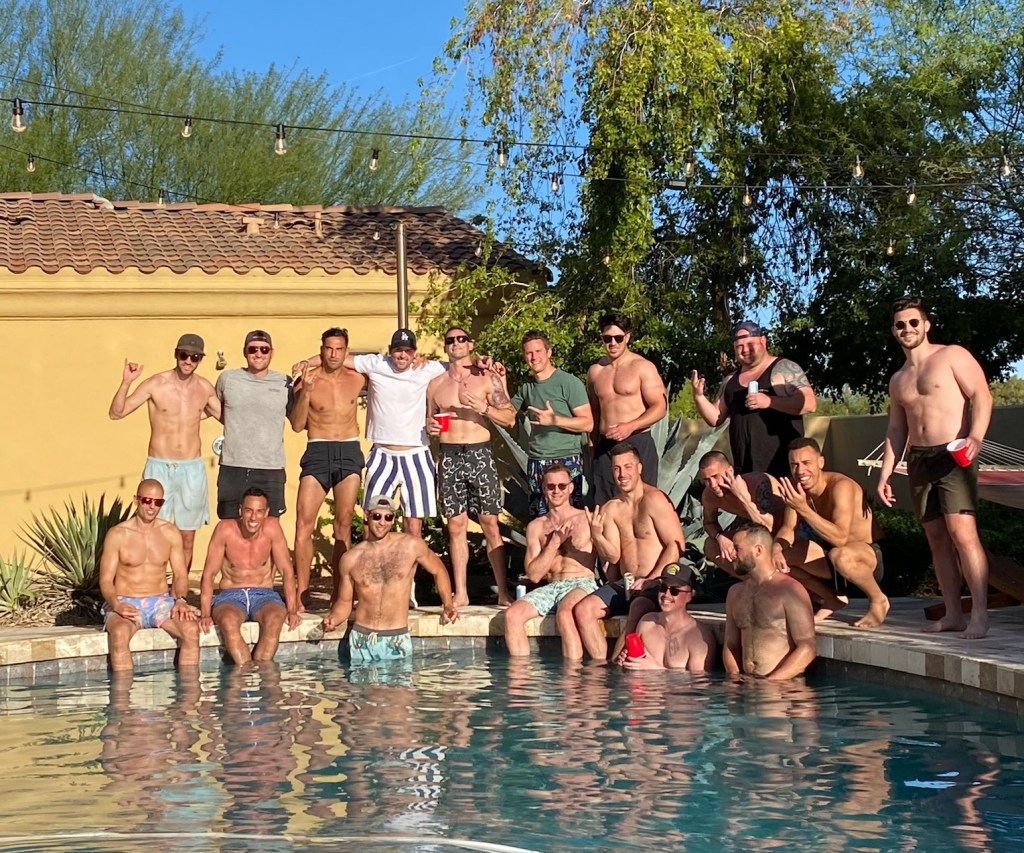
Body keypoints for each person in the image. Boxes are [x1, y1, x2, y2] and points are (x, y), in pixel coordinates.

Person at [877, 296, 993, 639]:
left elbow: (982, 395)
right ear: (894, 331)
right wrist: (885, 472)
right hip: (919, 459)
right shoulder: (898, 379)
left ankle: (980, 615)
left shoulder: (951, 355)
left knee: (963, 533)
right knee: (937, 538)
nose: (908, 328)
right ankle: (953, 614)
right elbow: (896, 429)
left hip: (954, 453)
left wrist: (976, 436)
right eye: (900, 324)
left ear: (926, 325)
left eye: (914, 322)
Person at [108, 333, 220, 570]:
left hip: (191, 468)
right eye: (184, 355)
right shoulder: (155, 384)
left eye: (195, 357)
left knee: (187, 537)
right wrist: (126, 382)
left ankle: (179, 589)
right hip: (159, 467)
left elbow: (230, 418)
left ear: (200, 359)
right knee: (151, 532)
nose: (188, 361)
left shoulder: (204, 388)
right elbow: (117, 413)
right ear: (176, 354)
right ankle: (153, 584)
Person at [426, 325, 516, 607]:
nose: (456, 343)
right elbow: (430, 420)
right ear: (446, 346)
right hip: (450, 454)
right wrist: (430, 427)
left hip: (479, 452)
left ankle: (503, 591)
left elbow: (510, 417)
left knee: (490, 522)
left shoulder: (486, 378)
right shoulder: (436, 384)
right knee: (456, 525)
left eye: (461, 339)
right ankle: (461, 592)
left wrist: (484, 408)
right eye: (450, 340)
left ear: (470, 344)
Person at [573, 442, 686, 661]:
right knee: (583, 610)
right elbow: (613, 555)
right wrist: (597, 536)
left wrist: (651, 580)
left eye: (627, 467)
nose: (622, 474)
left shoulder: (654, 500)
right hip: (626, 583)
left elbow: (676, 545)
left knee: (639, 606)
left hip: (655, 582)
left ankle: (615, 667)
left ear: (639, 468)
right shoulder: (611, 508)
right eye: (616, 468)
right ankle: (600, 664)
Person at [321, 495, 460, 663]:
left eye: (388, 517)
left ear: (393, 519)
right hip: (361, 639)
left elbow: (438, 570)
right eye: (377, 516)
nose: (382, 522)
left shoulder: (411, 546)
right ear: (366, 515)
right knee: (360, 680)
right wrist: (333, 619)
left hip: (397, 637)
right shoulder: (350, 559)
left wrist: (448, 604)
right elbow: (344, 603)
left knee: (399, 680)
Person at [289, 327, 368, 609]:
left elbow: (389, 366)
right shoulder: (307, 380)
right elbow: (297, 425)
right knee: (303, 522)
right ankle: (303, 593)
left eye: (339, 349)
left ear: (346, 351)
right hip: (318, 448)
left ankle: (340, 593)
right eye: (328, 348)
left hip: (349, 448)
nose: (333, 354)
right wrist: (306, 393)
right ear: (321, 349)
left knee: (343, 525)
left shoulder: (358, 378)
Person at [774, 438, 889, 627]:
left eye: (806, 463)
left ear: (820, 462)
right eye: (794, 465)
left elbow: (840, 538)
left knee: (840, 555)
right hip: (832, 556)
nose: (800, 471)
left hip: (868, 556)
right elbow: (787, 529)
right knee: (780, 558)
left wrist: (803, 508)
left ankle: (878, 600)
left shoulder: (840, 486)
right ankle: (832, 598)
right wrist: (776, 549)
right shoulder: (797, 490)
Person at [352, 328, 447, 537]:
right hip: (382, 453)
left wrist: (482, 361)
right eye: (398, 350)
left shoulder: (428, 368)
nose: (402, 355)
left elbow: (460, 366)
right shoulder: (377, 364)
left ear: (414, 352)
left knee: (413, 526)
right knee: (372, 521)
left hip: (417, 454)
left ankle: (408, 561)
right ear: (390, 350)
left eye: (408, 351)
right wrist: (307, 363)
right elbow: (338, 358)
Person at [691, 320, 816, 479]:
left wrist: (769, 401)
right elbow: (715, 418)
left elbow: (809, 404)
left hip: (782, 471)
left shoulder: (783, 368)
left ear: (763, 341)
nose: (745, 350)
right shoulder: (730, 380)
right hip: (745, 471)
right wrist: (699, 397)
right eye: (739, 346)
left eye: (750, 344)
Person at [98, 478, 199, 672]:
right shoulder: (118, 534)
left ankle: (187, 690)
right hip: (126, 600)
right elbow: (105, 580)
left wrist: (180, 600)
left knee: (191, 630)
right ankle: (123, 691)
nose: (152, 507)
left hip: (160, 601)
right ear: (136, 499)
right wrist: (116, 604)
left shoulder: (170, 532)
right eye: (147, 500)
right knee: (119, 634)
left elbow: (180, 574)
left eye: (158, 502)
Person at [503, 463, 598, 658]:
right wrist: (554, 542)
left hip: (582, 583)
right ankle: (520, 675)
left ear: (571, 488)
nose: (557, 491)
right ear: (544, 488)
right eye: (551, 486)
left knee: (565, 614)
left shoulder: (586, 519)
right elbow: (534, 575)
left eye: (562, 486)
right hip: (552, 587)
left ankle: (572, 674)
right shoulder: (536, 527)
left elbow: (611, 554)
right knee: (512, 615)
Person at [199, 487, 302, 664]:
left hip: (264, 594)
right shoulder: (225, 529)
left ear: (266, 513)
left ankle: (262, 672)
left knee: (274, 620)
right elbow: (209, 574)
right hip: (230, 596)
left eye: (259, 511)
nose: (253, 518)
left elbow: (286, 570)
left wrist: (292, 610)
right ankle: (246, 673)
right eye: (249, 511)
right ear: (240, 510)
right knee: (228, 622)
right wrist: (205, 614)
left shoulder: (272, 529)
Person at [586, 311, 668, 504]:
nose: (613, 343)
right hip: (606, 447)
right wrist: (592, 446)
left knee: (641, 504)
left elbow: (660, 407)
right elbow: (595, 412)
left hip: (637, 442)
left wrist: (630, 426)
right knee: (605, 505)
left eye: (618, 338)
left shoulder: (642, 367)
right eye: (607, 338)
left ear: (627, 337)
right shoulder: (595, 371)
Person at [511, 329, 594, 517]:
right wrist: (497, 381)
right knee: (540, 519)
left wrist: (554, 420)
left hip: (566, 459)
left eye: (538, 351)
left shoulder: (569, 383)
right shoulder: (527, 388)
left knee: (571, 519)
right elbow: (507, 413)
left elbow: (588, 423)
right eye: (529, 353)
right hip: (537, 461)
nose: (534, 357)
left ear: (549, 352)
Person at [214, 330, 293, 519]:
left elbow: (297, 422)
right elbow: (216, 409)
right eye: (253, 349)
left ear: (272, 353)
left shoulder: (284, 382)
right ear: (245, 352)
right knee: (229, 524)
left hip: (271, 468)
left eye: (264, 349)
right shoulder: (227, 378)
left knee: (270, 526)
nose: (258, 354)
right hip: (233, 466)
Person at [723, 523, 817, 680]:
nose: (732, 554)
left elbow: (808, 647)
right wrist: (734, 680)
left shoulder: (790, 590)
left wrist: (772, 682)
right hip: (748, 685)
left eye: (737, 548)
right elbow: (730, 644)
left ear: (758, 550)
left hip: (783, 687)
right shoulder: (735, 593)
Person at [618, 562, 717, 671]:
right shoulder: (647, 623)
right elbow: (638, 667)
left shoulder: (699, 636)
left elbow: (699, 680)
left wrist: (657, 670)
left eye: (675, 591)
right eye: (663, 588)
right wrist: (627, 662)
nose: (666, 595)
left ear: (689, 596)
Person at [698, 450, 783, 576]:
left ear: (730, 471)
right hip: (759, 532)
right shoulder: (709, 495)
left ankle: (772, 580)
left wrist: (743, 497)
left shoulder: (757, 484)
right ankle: (755, 582)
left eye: (715, 476)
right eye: (707, 480)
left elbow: (771, 527)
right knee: (711, 546)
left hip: (785, 534)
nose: (713, 485)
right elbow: (709, 523)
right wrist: (720, 537)